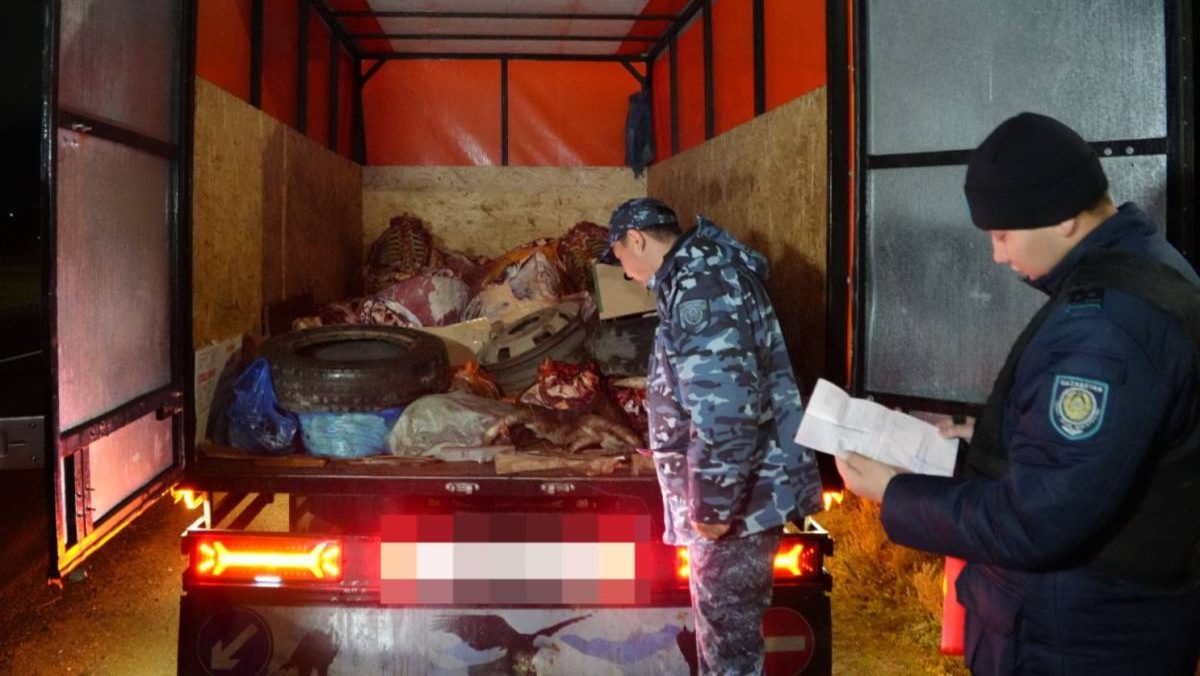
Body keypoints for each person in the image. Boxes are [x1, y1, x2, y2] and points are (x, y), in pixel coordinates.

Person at [836, 112, 1200, 675]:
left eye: (1003, 235)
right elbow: (1100, 456)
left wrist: (895, 492)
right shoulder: (1142, 272)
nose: (998, 256)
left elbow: (1040, 519)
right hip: (1097, 624)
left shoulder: (1103, 326)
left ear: (1064, 218)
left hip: (1075, 639)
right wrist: (986, 438)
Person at [599, 197, 823, 675]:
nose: (627, 273)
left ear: (637, 239)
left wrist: (714, 505)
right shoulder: (699, 276)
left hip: (740, 506)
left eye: (620, 257)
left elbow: (725, 408)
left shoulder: (700, 287)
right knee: (725, 642)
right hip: (743, 495)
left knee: (730, 651)